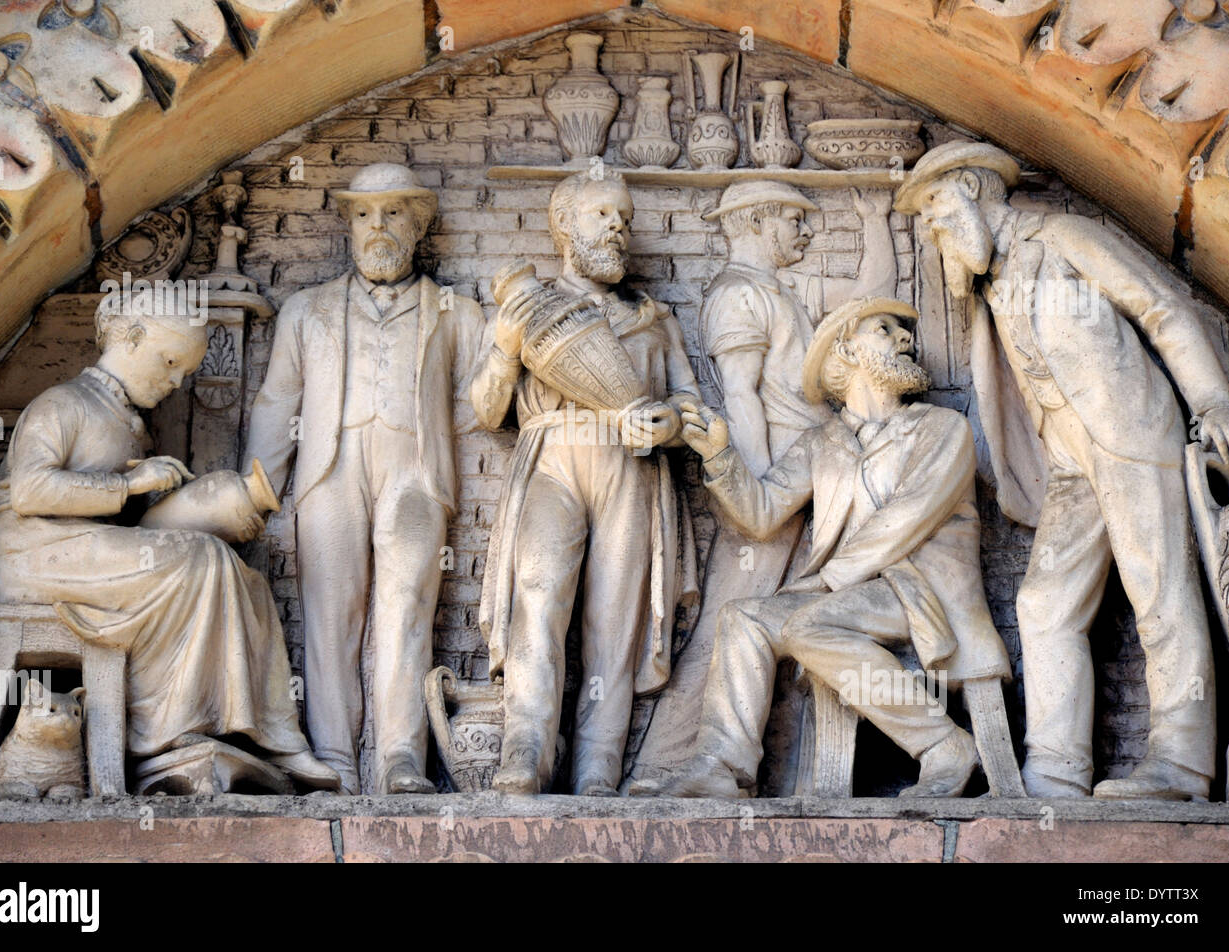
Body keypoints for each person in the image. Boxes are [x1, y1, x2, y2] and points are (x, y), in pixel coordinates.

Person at [894, 140, 1229, 800]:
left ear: (972, 190)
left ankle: (1182, 765)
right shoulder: (991, 279)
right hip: (1068, 457)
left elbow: (1160, 306)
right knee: (1043, 603)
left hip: (1132, 432)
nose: (935, 231)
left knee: (1159, 592)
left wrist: (1211, 399)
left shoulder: (1063, 234)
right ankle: (1055, 776)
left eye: (938, 212)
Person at [637, 298, 1011, 799]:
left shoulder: (941, 429)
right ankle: (722, 768)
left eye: (905, 332)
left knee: (808, 623)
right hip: (853, 597)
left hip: (923, 593)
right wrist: (719, 455)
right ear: (847, 349)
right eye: (885, 329)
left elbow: (908, 515)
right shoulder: (823, 441)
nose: (905, 339)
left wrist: (827, 581)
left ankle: (945, 745)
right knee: (744, 618)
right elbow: (763, 513)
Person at [0, 308, 338, 789]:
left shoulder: (130, 423)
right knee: (198, 559)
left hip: (86, 550)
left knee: (244, 577)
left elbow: (128, 522)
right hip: (33, 554)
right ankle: (164, 732)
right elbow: (28, 491)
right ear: (130, 337)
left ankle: (277, 735)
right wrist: (128, 483)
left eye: (184, 372)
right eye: (169, 362)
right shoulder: (64, 402)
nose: (174, 381)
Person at [634, 180, 897, 784]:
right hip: (773, 480)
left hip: (808, 481)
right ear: (755, 221)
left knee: (782, 623)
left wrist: (875, 217)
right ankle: (668, 766)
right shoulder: (738, 294)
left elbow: (869, 298)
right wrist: (749, 496)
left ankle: (779, 773)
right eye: (793, 221)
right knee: (733, 617)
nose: (805, 232)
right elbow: (740, 396)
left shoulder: (785, 291)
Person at [244, 163, 488, 795]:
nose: (377, 228)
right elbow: (277, 401)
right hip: (329, 468)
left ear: (420, 223)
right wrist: (257, 490)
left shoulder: (455, 310)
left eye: (393, 214)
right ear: (348, 225)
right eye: (363, 215)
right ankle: (335, 758)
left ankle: (399, 758)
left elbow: (475, 404)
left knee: (408, 608)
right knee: (330, 612)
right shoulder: (307, 309)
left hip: (414, 471)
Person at [472, 170, 701, 796]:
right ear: (564, 224)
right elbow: (486, 409)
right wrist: (503, 347)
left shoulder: (656, 321)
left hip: (632, 466)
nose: (618, 228)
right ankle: (527, 747)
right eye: (604, 215)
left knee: (615, 617)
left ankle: (599, 763)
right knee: (539, 594)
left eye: (623, 218)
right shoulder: (527, 308)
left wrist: (670, 421)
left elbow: (693, 407)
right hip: (553, 451)